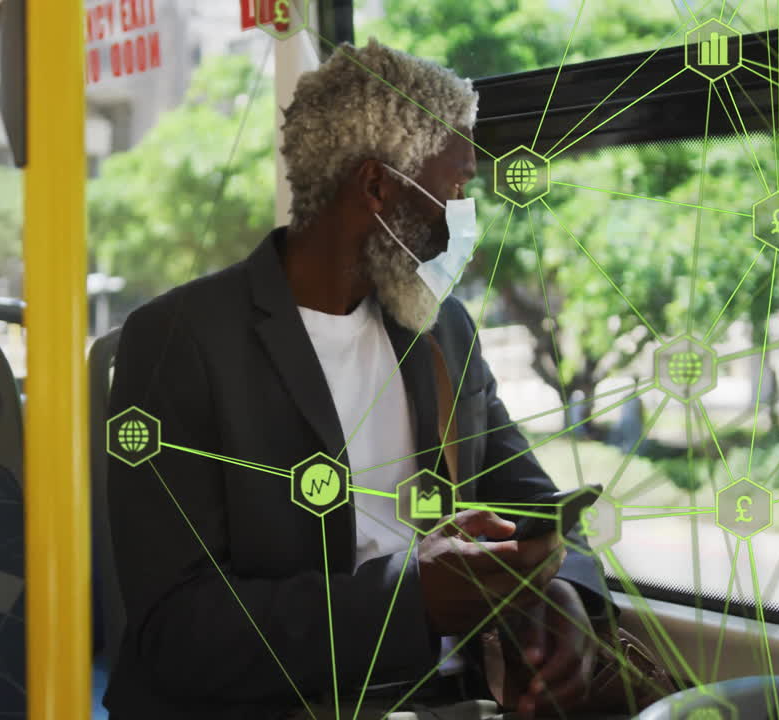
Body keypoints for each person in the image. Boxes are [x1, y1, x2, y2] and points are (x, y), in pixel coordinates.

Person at [102, 39, 613, 720]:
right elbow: (177, 626)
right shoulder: (179, 342)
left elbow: (541, 511)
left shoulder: (442, 330)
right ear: (377, 187)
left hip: (447, 700)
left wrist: (566, 593)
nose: (465, 214)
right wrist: (411, 601)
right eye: (456, 185)